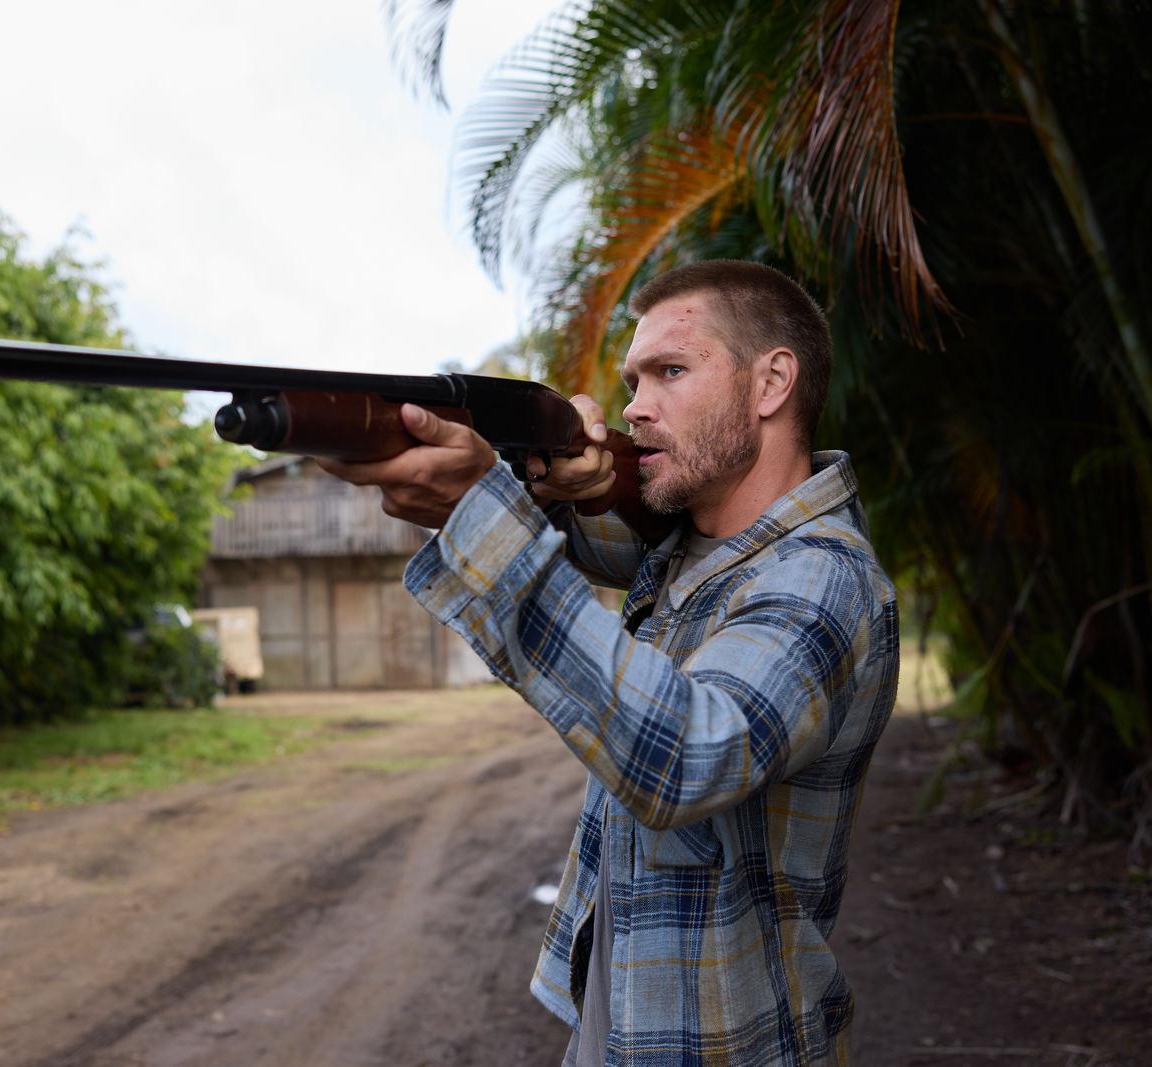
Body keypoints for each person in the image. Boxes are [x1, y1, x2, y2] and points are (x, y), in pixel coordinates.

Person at [317, 259, 899, 1066]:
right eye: (631, 380)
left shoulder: (825, 576)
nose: (635, 406)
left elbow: (688, 754)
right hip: (626, 1021)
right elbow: (576, 526)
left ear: (771, 383)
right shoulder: (694, 541)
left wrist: (480, 504)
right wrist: (557, 478)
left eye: (670, 371)